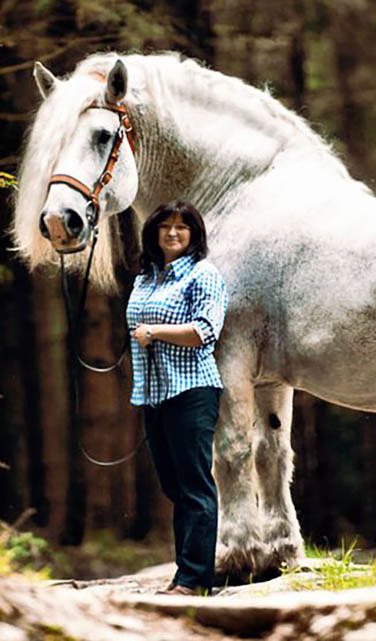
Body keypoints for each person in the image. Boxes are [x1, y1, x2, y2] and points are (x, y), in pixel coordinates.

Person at [126, 200, 228, 596]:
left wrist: (154, 331)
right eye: (165, 226)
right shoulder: (145, 278)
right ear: (153, 233)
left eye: (181, 227)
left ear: (194, 235)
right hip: (154, 393)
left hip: (192, 390)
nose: (172, 233)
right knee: (174, 487)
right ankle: (187, 573)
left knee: (195, 487)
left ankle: (193, 580)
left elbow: (205, 331)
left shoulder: (204, 274)